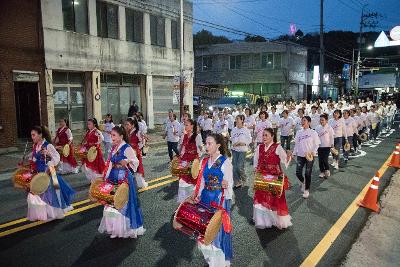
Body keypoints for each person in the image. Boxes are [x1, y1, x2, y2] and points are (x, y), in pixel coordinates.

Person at [192, 133, 233, 267]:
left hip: (218, 200)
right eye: (206, 143)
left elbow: (229, 185)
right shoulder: (205, 161)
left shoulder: (224, 162)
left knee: (216, 231)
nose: (206, 146)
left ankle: (218, 261)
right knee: (205, 229)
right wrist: (197, 194)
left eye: (210, 143)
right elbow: (202, 180)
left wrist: (226, 186)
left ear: (218, 146)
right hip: (205, 199)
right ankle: (210, 256)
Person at [98, 125, 145, 238]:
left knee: (123, 203)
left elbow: (136, 161)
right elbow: (109, 163)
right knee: (112, 202)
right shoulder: (114, 148)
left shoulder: (127, 148)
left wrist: (127, 160)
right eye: (111, 135)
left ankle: (125, 229)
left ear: (121, 136)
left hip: (123, 178)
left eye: (114, 135)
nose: (111, 137)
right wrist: (105, 177)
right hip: (113, 177)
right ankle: (115, 229)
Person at [27, 126, 75, 221]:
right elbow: (34, 159)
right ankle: (45, 214)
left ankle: (53, 213)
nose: (32, 137)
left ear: (40, 135)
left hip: (48, 172)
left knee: (50, 194)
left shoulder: (48, 145)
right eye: (31, 135)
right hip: (38, 173)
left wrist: (49, 160)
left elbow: (56, 157)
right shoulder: (35, 146)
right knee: (40, 194)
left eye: (34, 135)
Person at [253, 128, 292, 229]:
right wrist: (255, 169)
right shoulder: (259, 147)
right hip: (262, 176)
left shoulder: (277, 147)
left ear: (272, 136)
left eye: (266, 135)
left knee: (276, 199)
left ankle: (277, 220)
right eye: (263, 135)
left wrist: (288, 156)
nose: (264, 137)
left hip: (274, 177)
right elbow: (256, 160)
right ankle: (264, 221)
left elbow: (284, 160)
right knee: (261, 198)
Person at [293, 116, 320, 199]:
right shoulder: (298, 132)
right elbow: (296, 144)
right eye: (302, 120)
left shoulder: (313, 132)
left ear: (309, 122)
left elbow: (317, 144)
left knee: (307, 173)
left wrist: (313, 152)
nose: (302, 122)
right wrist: (294, 153)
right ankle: (304, 182)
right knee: (298, 172)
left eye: (304, 120)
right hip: (300, 155)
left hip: (310, 156)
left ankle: (306, 190)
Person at [177, 119, 203, 202]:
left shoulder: (197, 136)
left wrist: (195, 163)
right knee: (182, 180)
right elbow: (183, 149)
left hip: (193, 160)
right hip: (184, 160)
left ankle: (192, 200)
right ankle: (184, 201)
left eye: (187, 125)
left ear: (192, 126)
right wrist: (180, 158)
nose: (185, 126)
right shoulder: (184, 136)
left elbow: (200, 150)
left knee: (192, 181)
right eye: (185, 125)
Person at [125, 117, 148, 189]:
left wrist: (138, 149)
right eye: (126, 124)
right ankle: (128, 184)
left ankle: (140, 183)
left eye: (128, 124)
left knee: (137, 169)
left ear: (133, 125)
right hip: (128, 153)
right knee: (128, 168)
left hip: (135, 154)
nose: (126, 126)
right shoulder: (127, 132)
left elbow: (142, 142)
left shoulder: (138, 133)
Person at [230, 115, 252, 188]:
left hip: (243, 150)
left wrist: (243, 143)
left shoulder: (245, 130)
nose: (236, 120)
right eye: (236, 119)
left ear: (242, 120)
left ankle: (244, 178)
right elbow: (232, 138)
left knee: (240, 166)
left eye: (238, 119)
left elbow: (249, 139)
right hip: (235, 150)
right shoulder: (233, 129)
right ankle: (237, 182)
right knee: (234, 167)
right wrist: (234, 143)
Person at [82, 118, 105, 182]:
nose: (88, 125)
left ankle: (96, 180)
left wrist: (96, 144)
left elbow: (102, 138)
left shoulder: (97, 131)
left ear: (94, 124)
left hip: (94, 151)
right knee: (88, 166)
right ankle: (92, 179)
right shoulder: (89, 131)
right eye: (88, 124)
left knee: (95, 166)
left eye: (89, 124)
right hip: (89, 151)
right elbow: (87, 140)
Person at [315, 114, 334, 178]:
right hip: (319, 146)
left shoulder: (329, 128)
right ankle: (322, 172)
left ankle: (327, 170)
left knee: (325, 159)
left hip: (327, 146)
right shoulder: (317, 127)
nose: (321, 121)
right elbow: (315, 137)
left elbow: (332, 137)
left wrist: (332, 144)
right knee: (320, 160)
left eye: (323, 120)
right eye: (320, 120)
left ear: (326, 120)